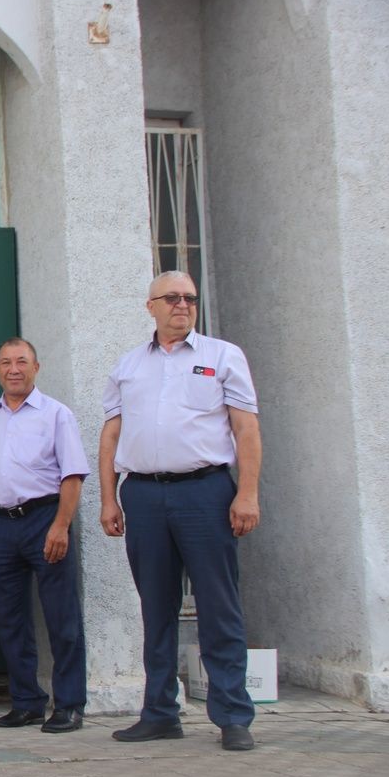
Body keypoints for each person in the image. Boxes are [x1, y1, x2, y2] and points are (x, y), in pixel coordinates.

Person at [99, 271, 262, 752]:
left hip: (205, 492)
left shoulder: (222, 356)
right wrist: (110, 497)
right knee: (156, 605)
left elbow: (245, 430)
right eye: (171, 298)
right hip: (144, 496)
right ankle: (160, 712)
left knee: (218, 604)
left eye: (189, 298)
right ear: (150, 306)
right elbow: (111, 435)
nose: (182, 305)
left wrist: (246, 493)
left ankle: (232, 715)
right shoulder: (128, 366)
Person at [0, 339, 90, 733]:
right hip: (1, 525)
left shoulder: (56, 415)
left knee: (62, 618)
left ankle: (70, 704)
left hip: (45, 518)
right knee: (11, 619)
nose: (13, 369)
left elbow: (72, 475)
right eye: (5, 362)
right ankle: (26, 702)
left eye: (21, 361)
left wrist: (61, 525)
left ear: (36, 367)